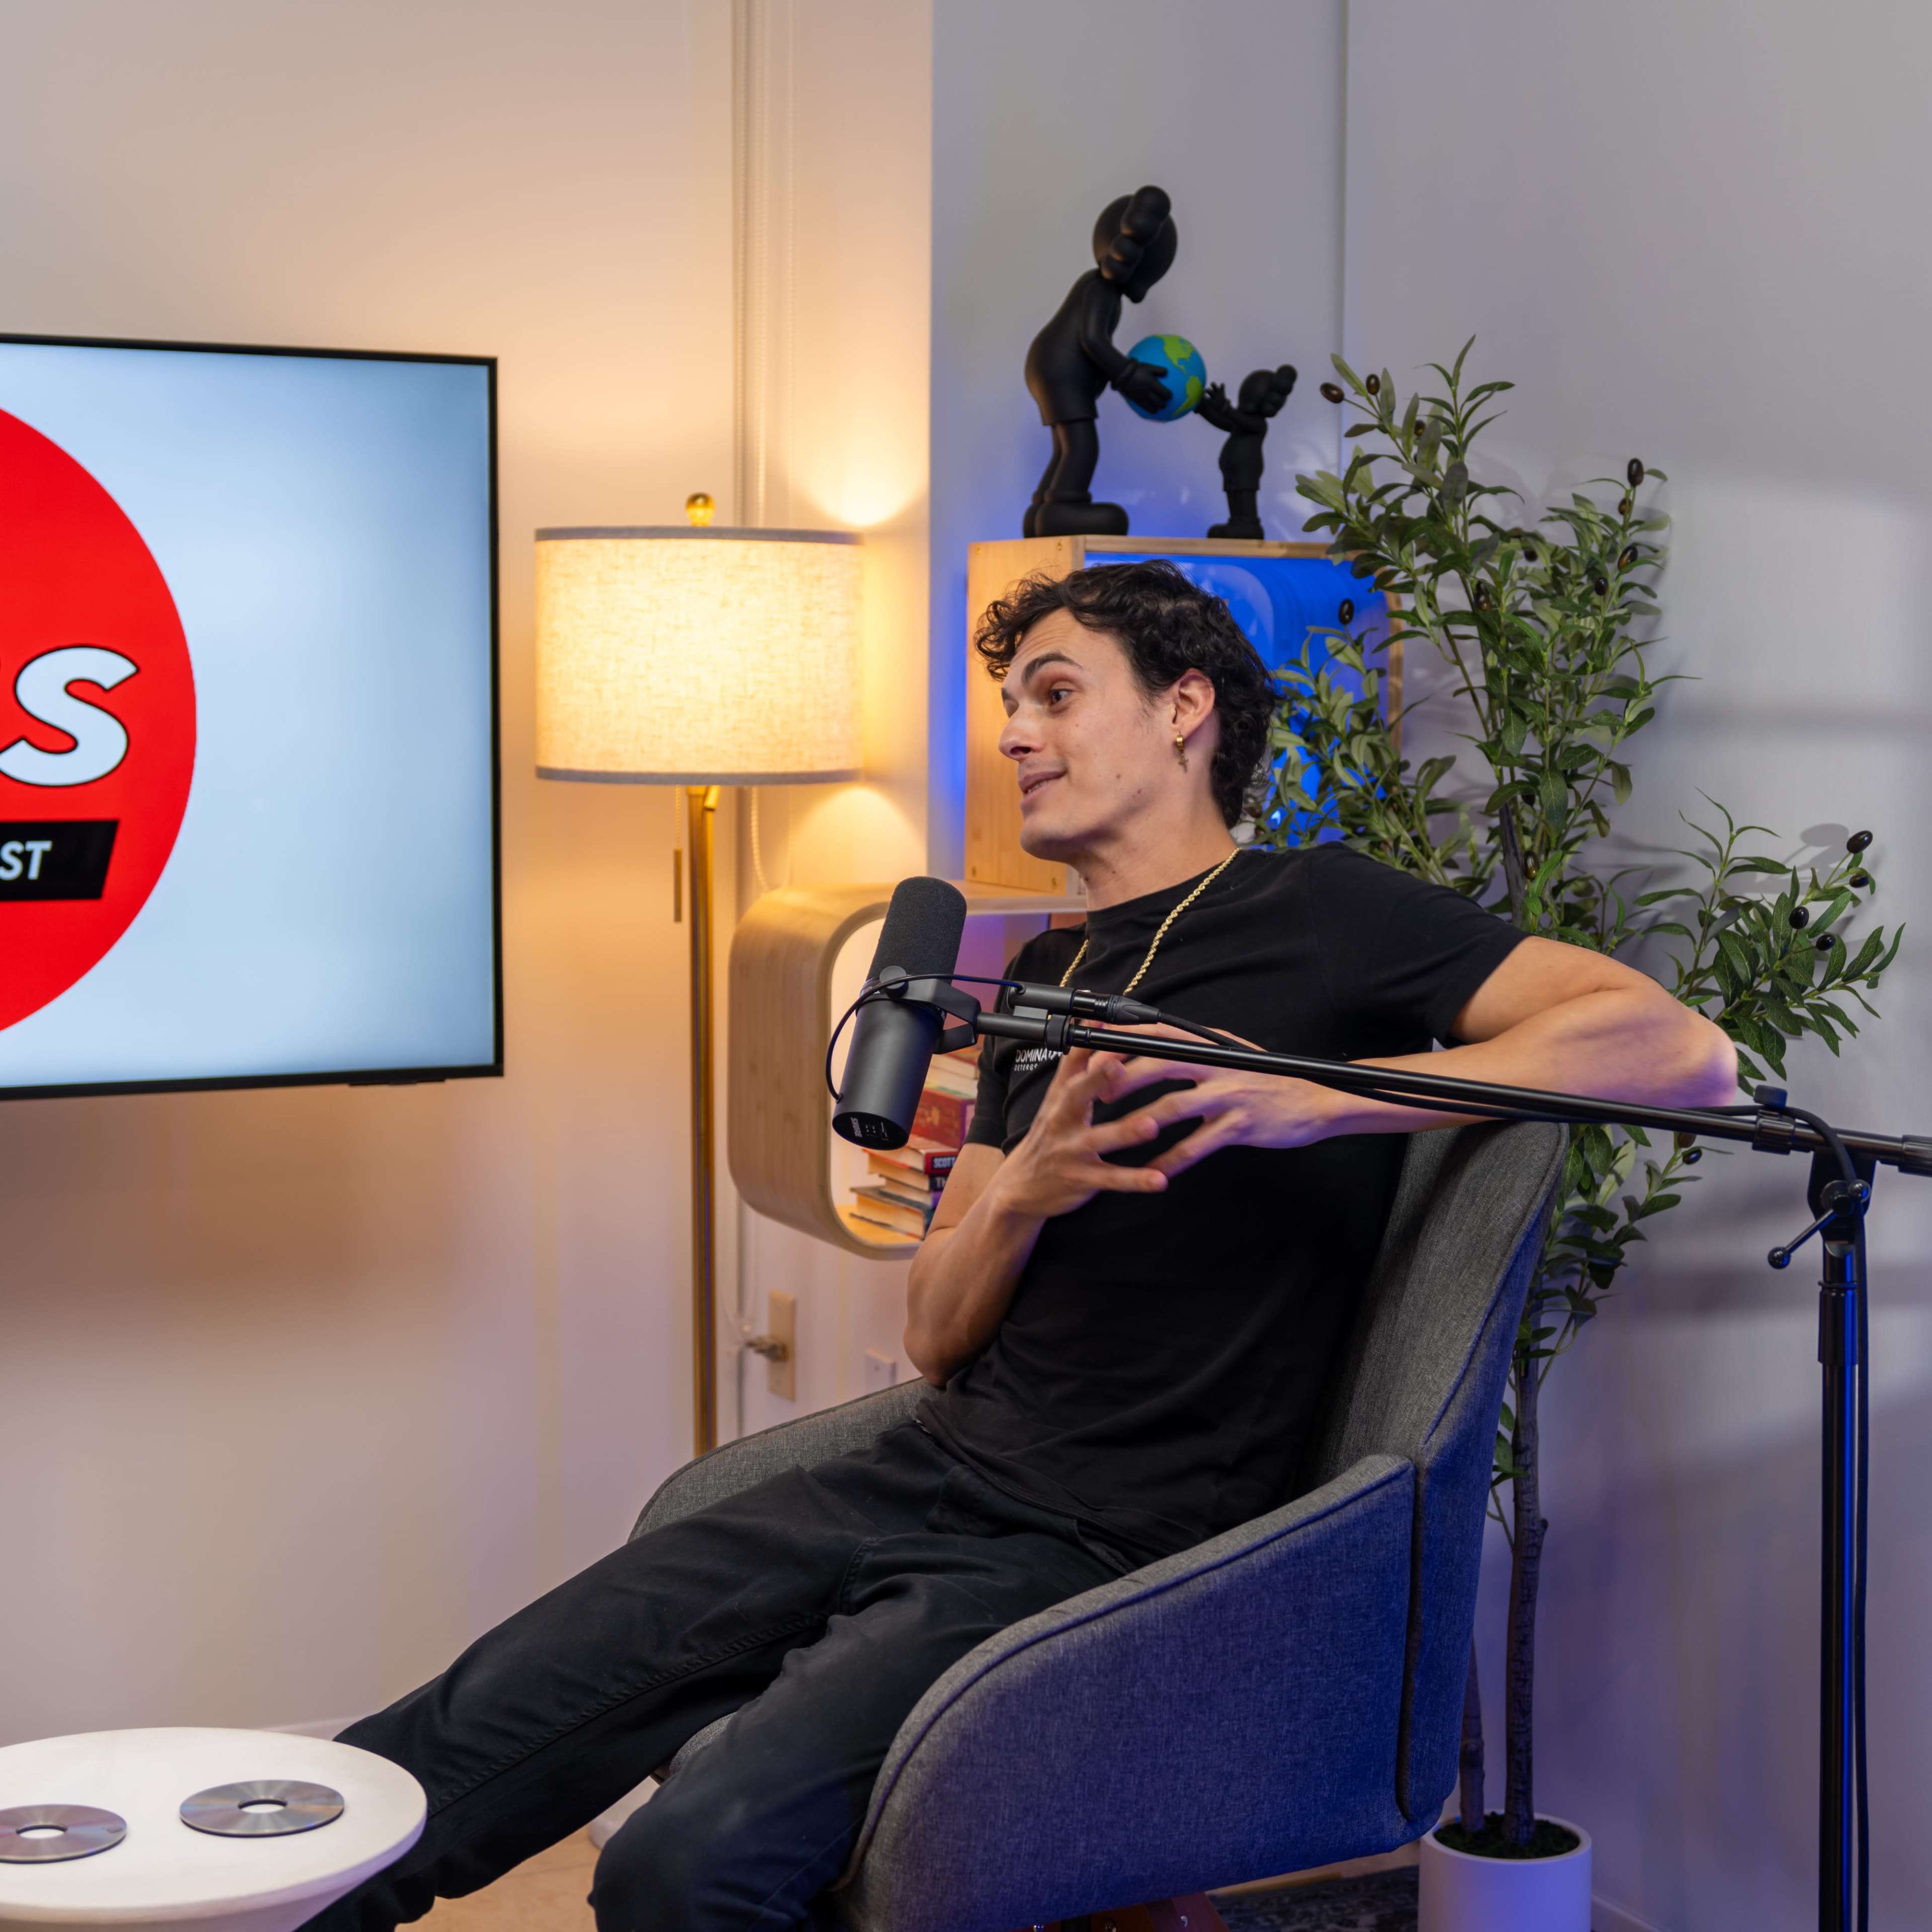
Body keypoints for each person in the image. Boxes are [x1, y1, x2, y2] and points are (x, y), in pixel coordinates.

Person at [307, 562, 1735, 1932]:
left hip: (1110, 1539)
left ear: (1185, 710)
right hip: (928, 1472)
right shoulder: (1047, 977)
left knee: (687, 1868)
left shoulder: (1316, 911)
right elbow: (934, 1326)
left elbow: (1677, 1048)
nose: (1013, 736)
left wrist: (1318, 1100)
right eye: (1013, 709)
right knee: (434, 1746)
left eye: (1055, 696)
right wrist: (1027, 1187)